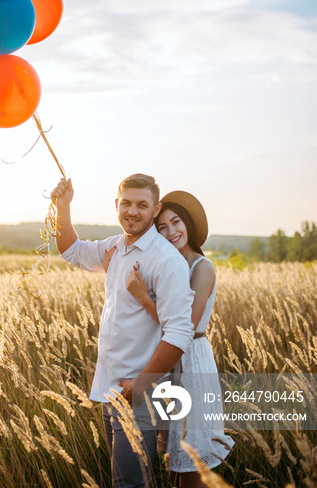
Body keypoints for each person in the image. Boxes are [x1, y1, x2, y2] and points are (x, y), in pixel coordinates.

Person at [51, 174, 194, 488]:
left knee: (129, 484)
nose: (133, 211)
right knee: (126, 481)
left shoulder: (166, 259)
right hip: (109, 387)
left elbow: (179, 333)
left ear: (155, 210)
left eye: (142, 205)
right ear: (117, 205)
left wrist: (141, 385)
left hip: (140, 392)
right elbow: (71, 251)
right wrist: (63, 208)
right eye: (127, 203)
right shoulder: (114, 246)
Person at [115, 190, 234, 488]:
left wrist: (143, 298)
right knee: (173, 464)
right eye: (162, 227)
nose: (170, 232)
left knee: (192, 463)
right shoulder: (169, 266)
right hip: (169, 368)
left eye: (176, 222)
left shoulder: (201, 267)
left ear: (189, 225)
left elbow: (185, 325)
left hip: (192, 364)